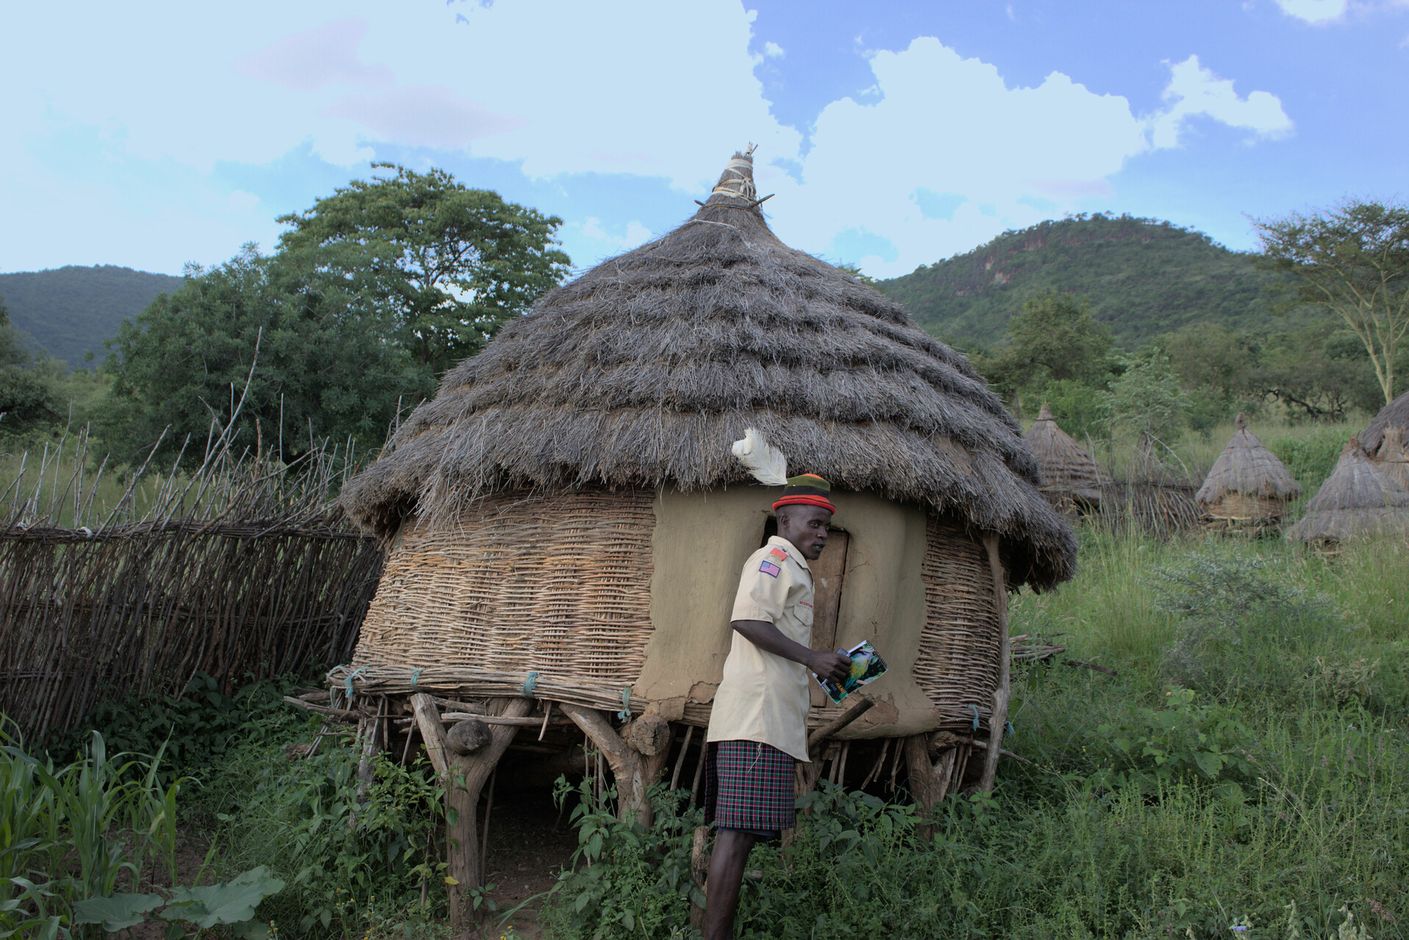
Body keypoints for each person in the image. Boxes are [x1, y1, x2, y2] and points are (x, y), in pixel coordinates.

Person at [703, 473, 852, 940]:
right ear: (783, 520)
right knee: (736, 833)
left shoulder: (793, 566)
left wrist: (822, 663)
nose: (823, 534)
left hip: (770, 722)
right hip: (755, 720)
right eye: (814, 523)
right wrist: (812, 657)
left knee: (741, 833)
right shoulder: (772, 558)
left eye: (827, 527)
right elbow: (747, 619)